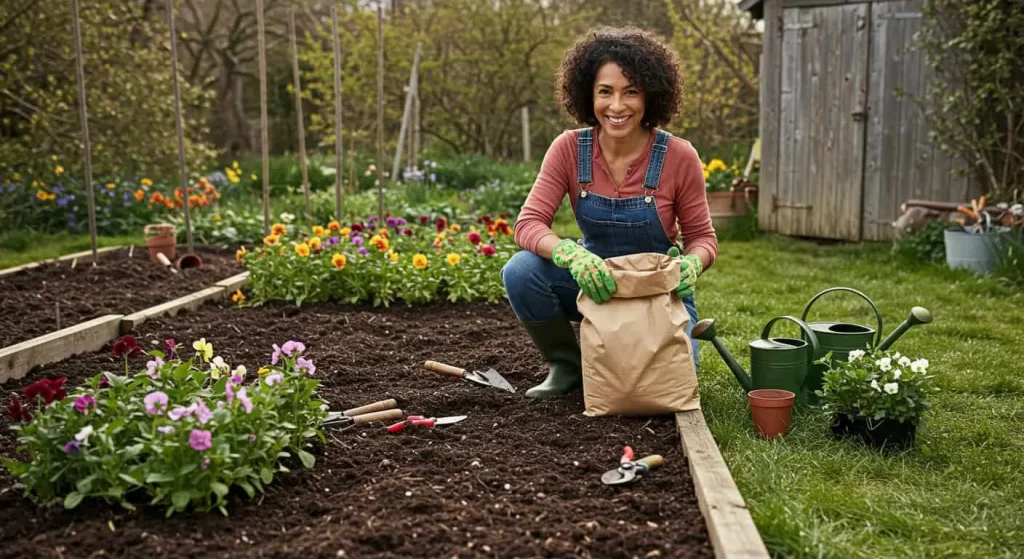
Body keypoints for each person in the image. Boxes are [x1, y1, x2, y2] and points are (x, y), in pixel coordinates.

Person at [501, 27, 719, 399]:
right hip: (594, 286)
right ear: (588, 94)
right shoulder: (569, 148)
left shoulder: (679, 156)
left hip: (656, 295)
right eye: (606, 92)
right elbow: (528, 224)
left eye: (631, 91)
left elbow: (703, 239)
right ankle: (568, 367)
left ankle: (613, 361)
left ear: (651, 95)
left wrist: (692, 264)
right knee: (520, 271)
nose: (617, 106)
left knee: (671, 385)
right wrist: (570, 254)